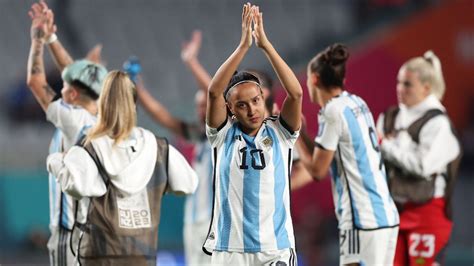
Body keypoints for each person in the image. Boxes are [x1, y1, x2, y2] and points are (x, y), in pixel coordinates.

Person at [46, 70, 199, 265]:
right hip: (142, 256)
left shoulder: (90, 147)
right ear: (133, 104)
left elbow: (76, 186)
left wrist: (56, 160)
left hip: (98, 256)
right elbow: (189, 183)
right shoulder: (157, 147)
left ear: (102, 104)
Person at [203, 4, 302, 264]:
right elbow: (214, 91)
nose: (252, 109)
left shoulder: (282, 133)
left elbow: (296, 94)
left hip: (275, 249)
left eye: (256, 100)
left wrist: (266, 46)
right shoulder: (222, 136)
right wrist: (243, 46)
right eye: (242, 105)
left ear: (263, 99)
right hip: (230, 251)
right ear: (231, 109)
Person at [295, 43, 399, 266]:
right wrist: (302, 134)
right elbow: (327, 155)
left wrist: (294, 137)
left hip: (361, 219)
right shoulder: (356, 103)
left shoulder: (332, 111)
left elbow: (317, 170)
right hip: (385, 214)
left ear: (313, 79)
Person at [26, 2, 107, 265]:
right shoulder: (100, 117)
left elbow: (36, 82)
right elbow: (76, 75)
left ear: (73, 93)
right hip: (99, 232)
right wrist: (52, 38)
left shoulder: (72, 119)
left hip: (71, 230)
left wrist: (38, 40)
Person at [131, 30, 213, 266]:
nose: (200, 111)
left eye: (204, 105)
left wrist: (191, 61)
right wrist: (140, 91)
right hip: (193, 220)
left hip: (217, 223)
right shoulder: (199, 136)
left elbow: (216, 94)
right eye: (197, 106)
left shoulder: (228, 135)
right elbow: (164, 117)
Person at [376, 51, 461, 266]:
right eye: (398, 82)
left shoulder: (438, 123)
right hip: (392, 211)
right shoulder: (389, 117)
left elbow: (422, 166)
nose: (400, 89)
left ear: (426, 88)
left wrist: (385, 145)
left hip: (427, 213)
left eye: (407, 84)